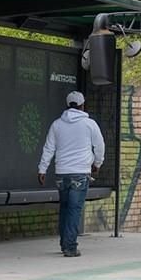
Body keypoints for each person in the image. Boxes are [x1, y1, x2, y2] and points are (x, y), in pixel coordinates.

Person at [38, 91, 105, 257]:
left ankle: (64, 243)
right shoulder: (90, 124)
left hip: (62, 173)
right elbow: (100, 146)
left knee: (65, 208)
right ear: (82, 105)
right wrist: (97, 163)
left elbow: (49, 148)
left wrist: (42, 169)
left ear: (67, 105)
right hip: (80, 173)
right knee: (74, 209)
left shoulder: (56, 124)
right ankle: (70, 246)